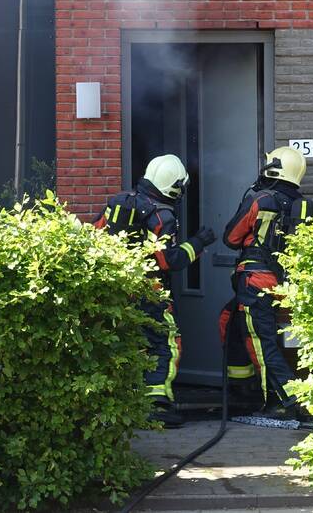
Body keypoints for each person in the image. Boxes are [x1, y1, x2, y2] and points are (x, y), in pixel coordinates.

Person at [95, 154, 216, 428]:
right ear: (174, 187)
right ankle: (157, 404)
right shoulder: (162, 215)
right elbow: (169, 260)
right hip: (150, 291)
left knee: (131, 344)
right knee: (165, 342)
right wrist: (198, 243)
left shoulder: (119, 203)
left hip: (118, 288)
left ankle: (131, 400)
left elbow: (95, 233)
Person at [219, 146, 313, 420]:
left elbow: (231, 238)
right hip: (283, 285)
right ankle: (242, 388)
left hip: (256, 282)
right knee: (227, 319)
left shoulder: (260, 200)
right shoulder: (304, 206)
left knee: (263, 345)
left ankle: (291, 402)